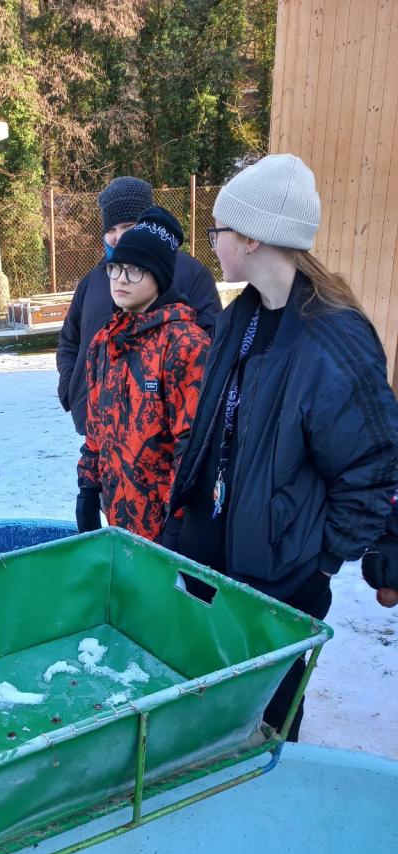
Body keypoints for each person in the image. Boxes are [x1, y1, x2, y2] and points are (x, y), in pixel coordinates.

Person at [164, 153, 398, 740]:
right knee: (213, 706)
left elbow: (373, 466)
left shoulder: (333, 339)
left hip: (280, 576)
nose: (212, 242)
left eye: (218, 230)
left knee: (269, 717)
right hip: (215, 557)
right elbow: (216, 425)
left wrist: (321, 562)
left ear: (250, 238)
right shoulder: (240, 316)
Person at [76, 207, 209, 540]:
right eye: (116, 268)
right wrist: (88, 488)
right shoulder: (104, 343)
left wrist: (177, 523)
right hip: (117, 517)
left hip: (165, 528)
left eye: (135, 270)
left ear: (159, 277)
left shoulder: (185, 344)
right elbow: (95, 428)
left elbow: (191, 448)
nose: (121, 279)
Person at [56, 175, 221, 438]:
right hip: (97, 428)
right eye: (110, 229)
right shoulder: (93, 280)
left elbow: (210, 344)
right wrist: (71, 388)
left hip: (156, 437)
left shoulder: (190, 274)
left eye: (128, 226)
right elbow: (69, 340)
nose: (117, 237)